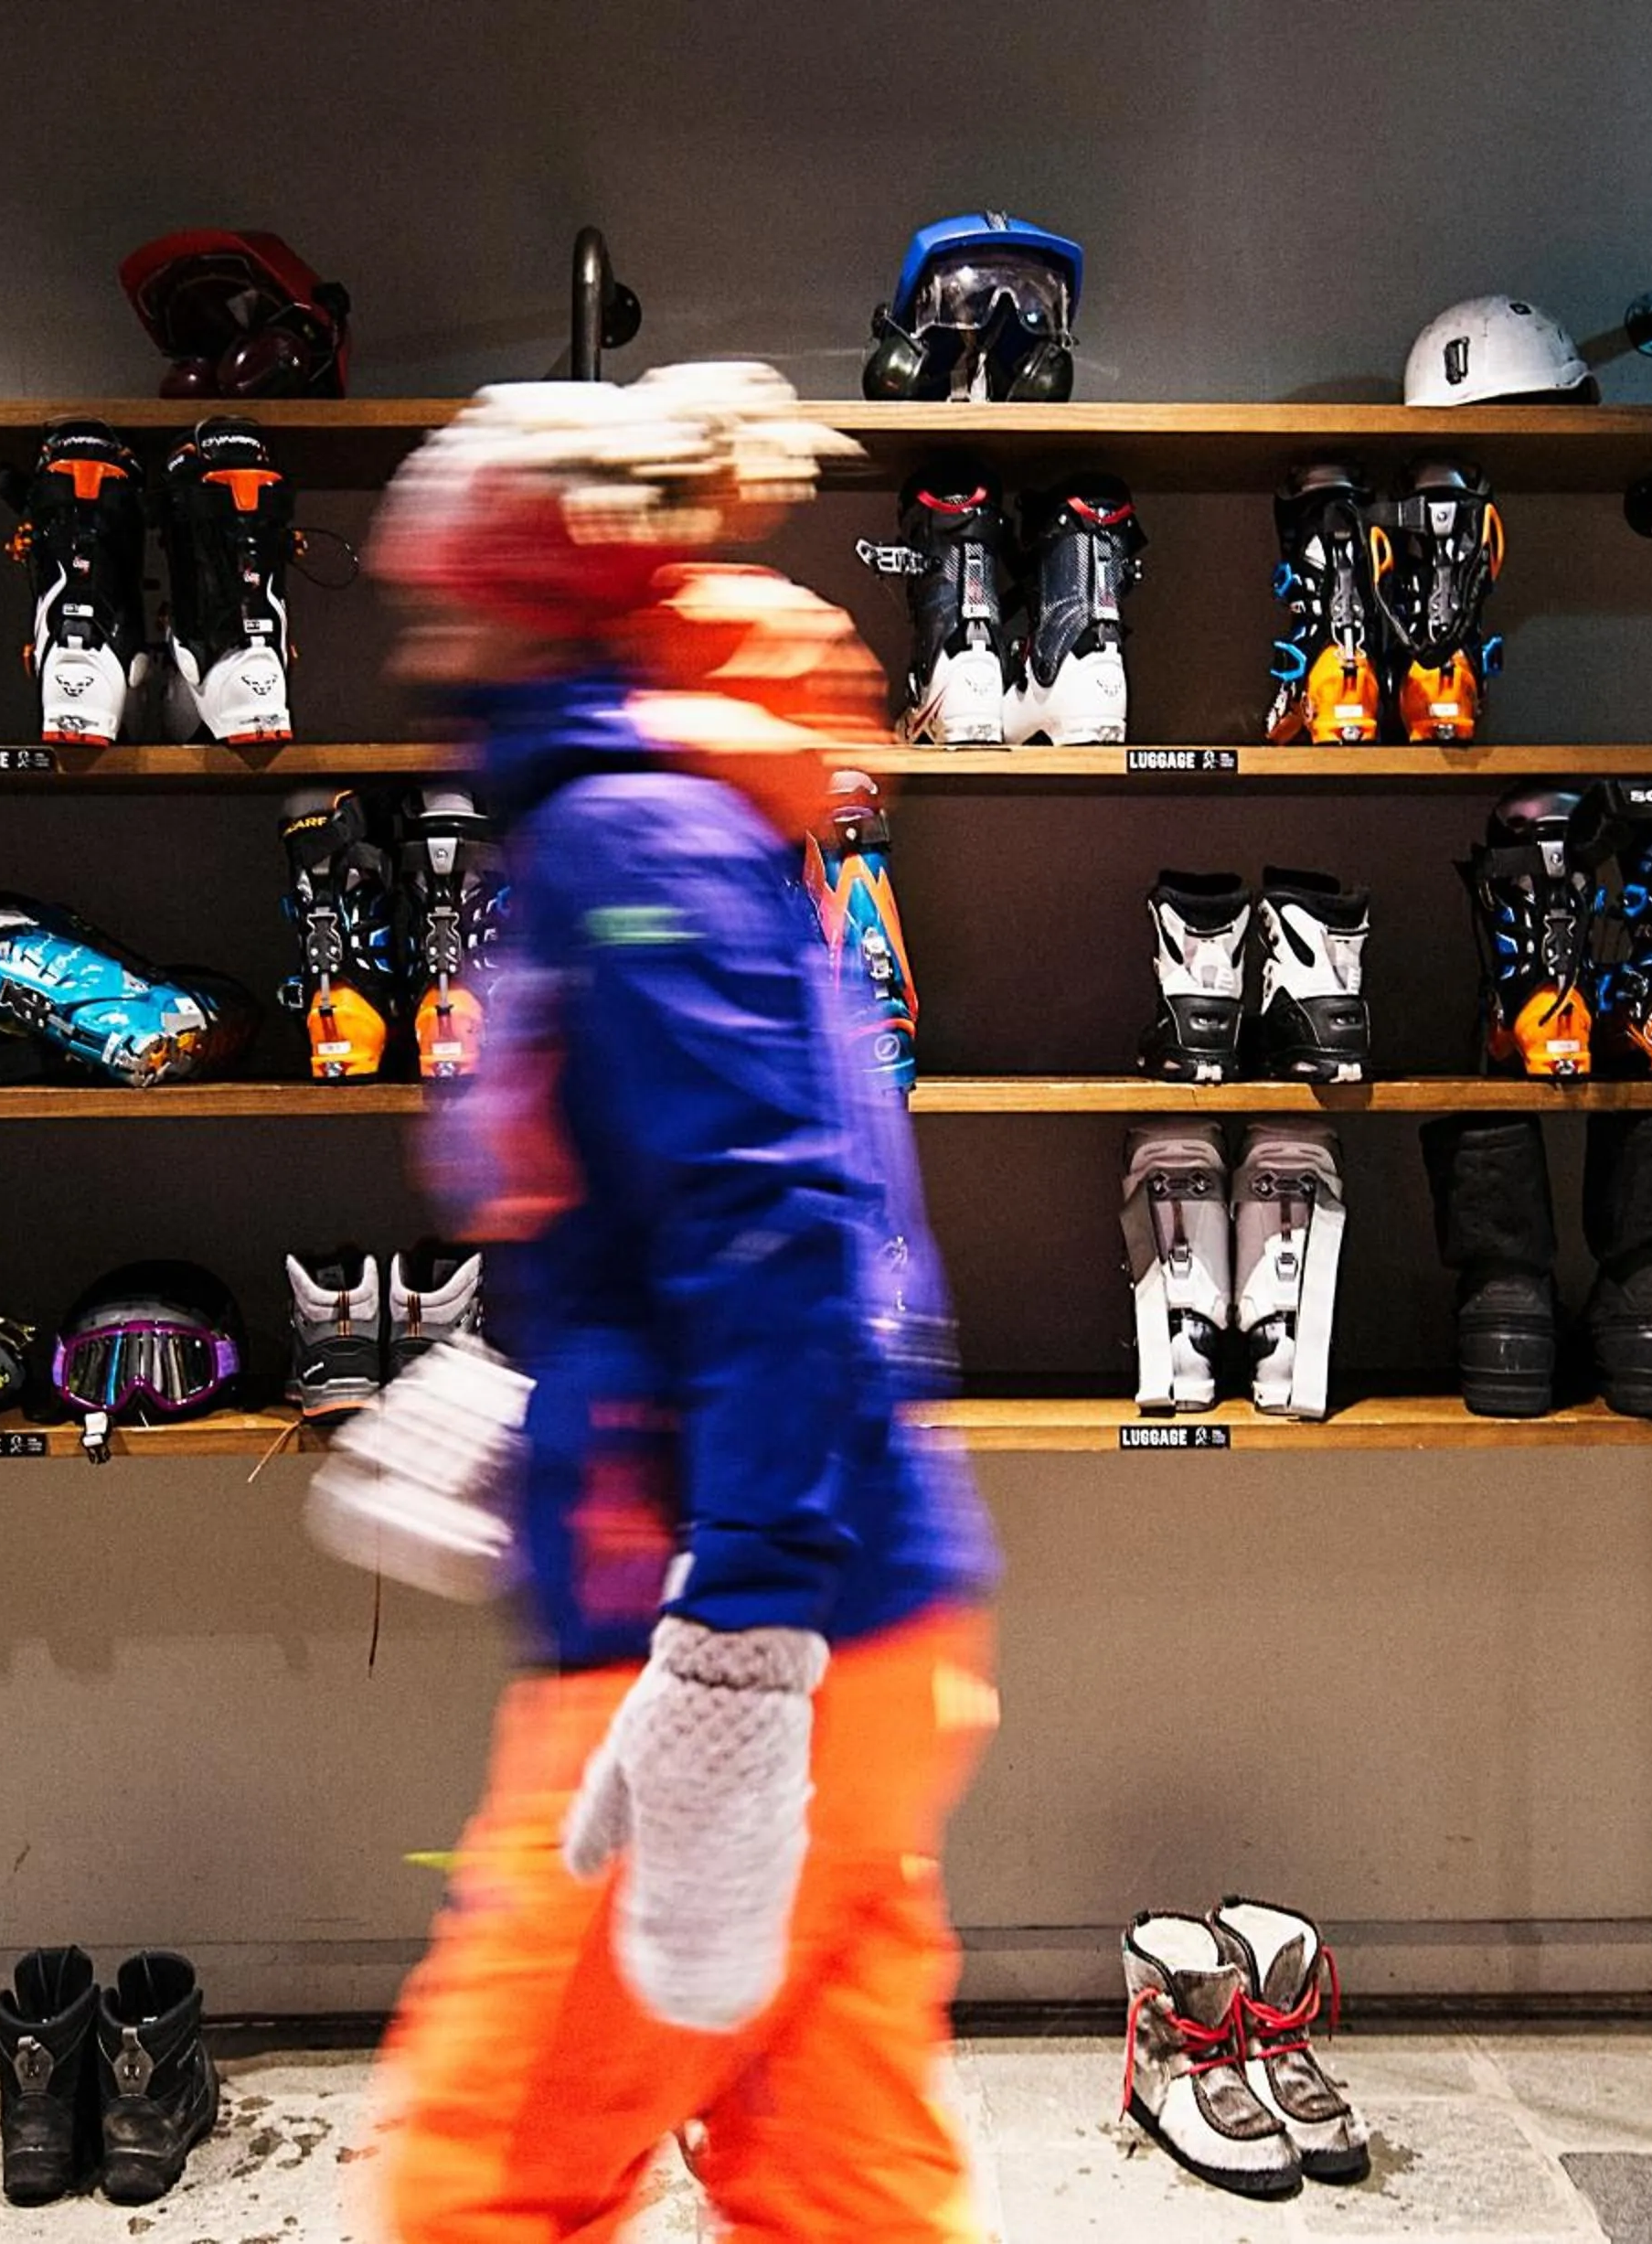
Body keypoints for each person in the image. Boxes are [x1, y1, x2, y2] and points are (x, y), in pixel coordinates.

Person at [359, 365, 1003, 2242]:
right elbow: (682, 1217)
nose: (419, 639)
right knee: (841, 2183)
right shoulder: (662, 819)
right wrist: (511, 1402)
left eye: (437, 598)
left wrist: (735, 1660)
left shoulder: (632, 844)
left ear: (518, 599)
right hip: (853, 1622)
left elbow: (777, 1241)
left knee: (483, 2181)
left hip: (719, 1647)